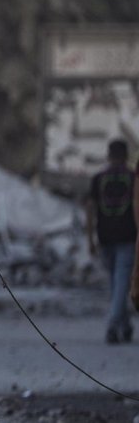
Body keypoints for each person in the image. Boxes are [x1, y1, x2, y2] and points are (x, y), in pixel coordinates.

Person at [86, 138, 135, 344]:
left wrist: (90, 238)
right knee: (121, 283)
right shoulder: (133, 178)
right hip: (128, 236)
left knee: (117, 283)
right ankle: (115, 325)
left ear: (108, 155)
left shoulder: (98, 179)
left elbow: (90, 210)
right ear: (126, 156)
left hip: (105, 236)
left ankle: (124, 326)